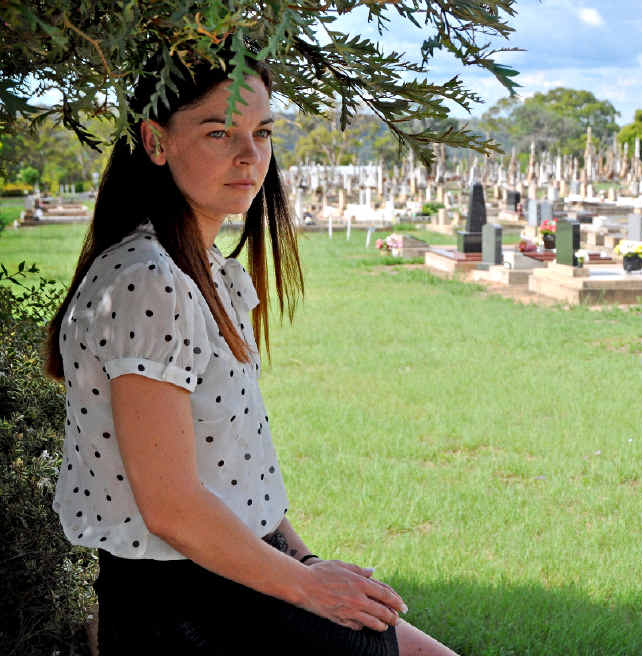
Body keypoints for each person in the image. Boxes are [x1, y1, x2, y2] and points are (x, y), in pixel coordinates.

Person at [44, 47, 458, 656]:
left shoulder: (201, 271)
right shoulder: (147, 281)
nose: (250, 156)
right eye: (219, 132)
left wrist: (305, 558)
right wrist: (312, 589)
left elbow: (238, 471)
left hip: (242, 573)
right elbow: (172, 508)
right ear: (156, 142)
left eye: (261, 132)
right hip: (190, 606)